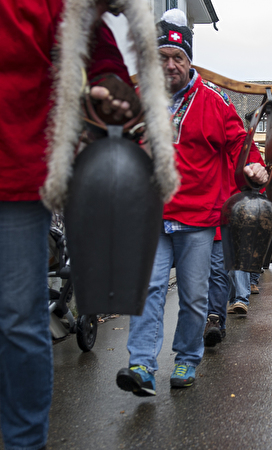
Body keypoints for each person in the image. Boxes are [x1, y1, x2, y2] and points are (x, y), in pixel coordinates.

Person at [0, 2, 141, 448]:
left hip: (16, 174)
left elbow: (99, 51)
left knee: (17, 319)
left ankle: (24, 442)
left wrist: (107, 87)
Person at [116, 9, 267, 397]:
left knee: (194, 294)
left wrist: (254, 164)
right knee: (148, 288)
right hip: (152, 214)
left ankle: (186, 357)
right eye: (163, 56)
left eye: (178, 58)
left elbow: (239, 141)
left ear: (189, 61)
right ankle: (142, 365)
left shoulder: (213, 102)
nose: (170, 64)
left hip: (198, 217)